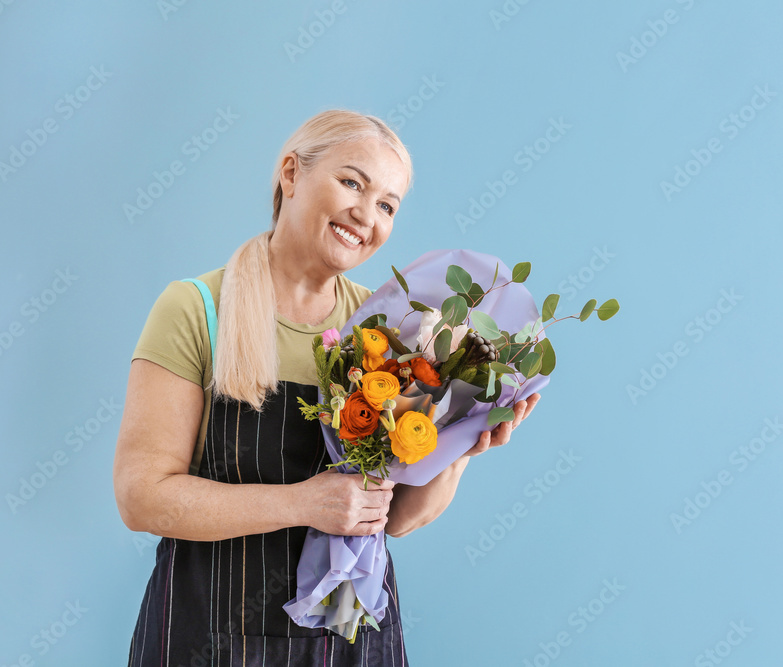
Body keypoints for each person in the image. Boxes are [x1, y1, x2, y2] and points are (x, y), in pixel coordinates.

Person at [113, 108, 540, 666]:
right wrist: (301, 504)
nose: (367, 214)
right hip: (210, 639)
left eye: (387, 204)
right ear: (290, 173)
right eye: (351, 183)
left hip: (352, 642)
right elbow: (142, 498)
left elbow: (399, 520)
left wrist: (462, 448)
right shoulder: (198, 310)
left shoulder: (390, 330)